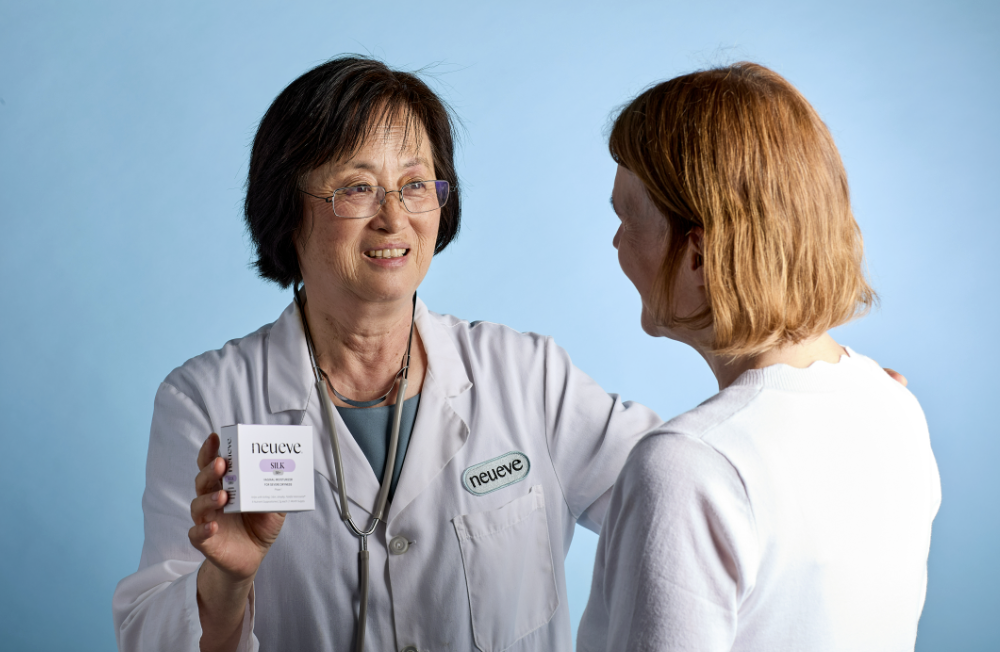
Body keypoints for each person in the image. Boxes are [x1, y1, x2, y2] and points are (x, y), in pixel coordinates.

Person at [111, 56, 666, 652]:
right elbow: (148, 637)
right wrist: (226, 580)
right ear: (287, 209)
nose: (394, 217)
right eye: (357, 187)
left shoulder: (529, 378)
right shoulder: (207, 401)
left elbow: (677, 501)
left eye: (415, 184)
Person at [577, 63, 940, 651]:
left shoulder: (688, 468)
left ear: (697, 255)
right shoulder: (897, 408)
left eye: (626, 217)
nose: (617, 242)